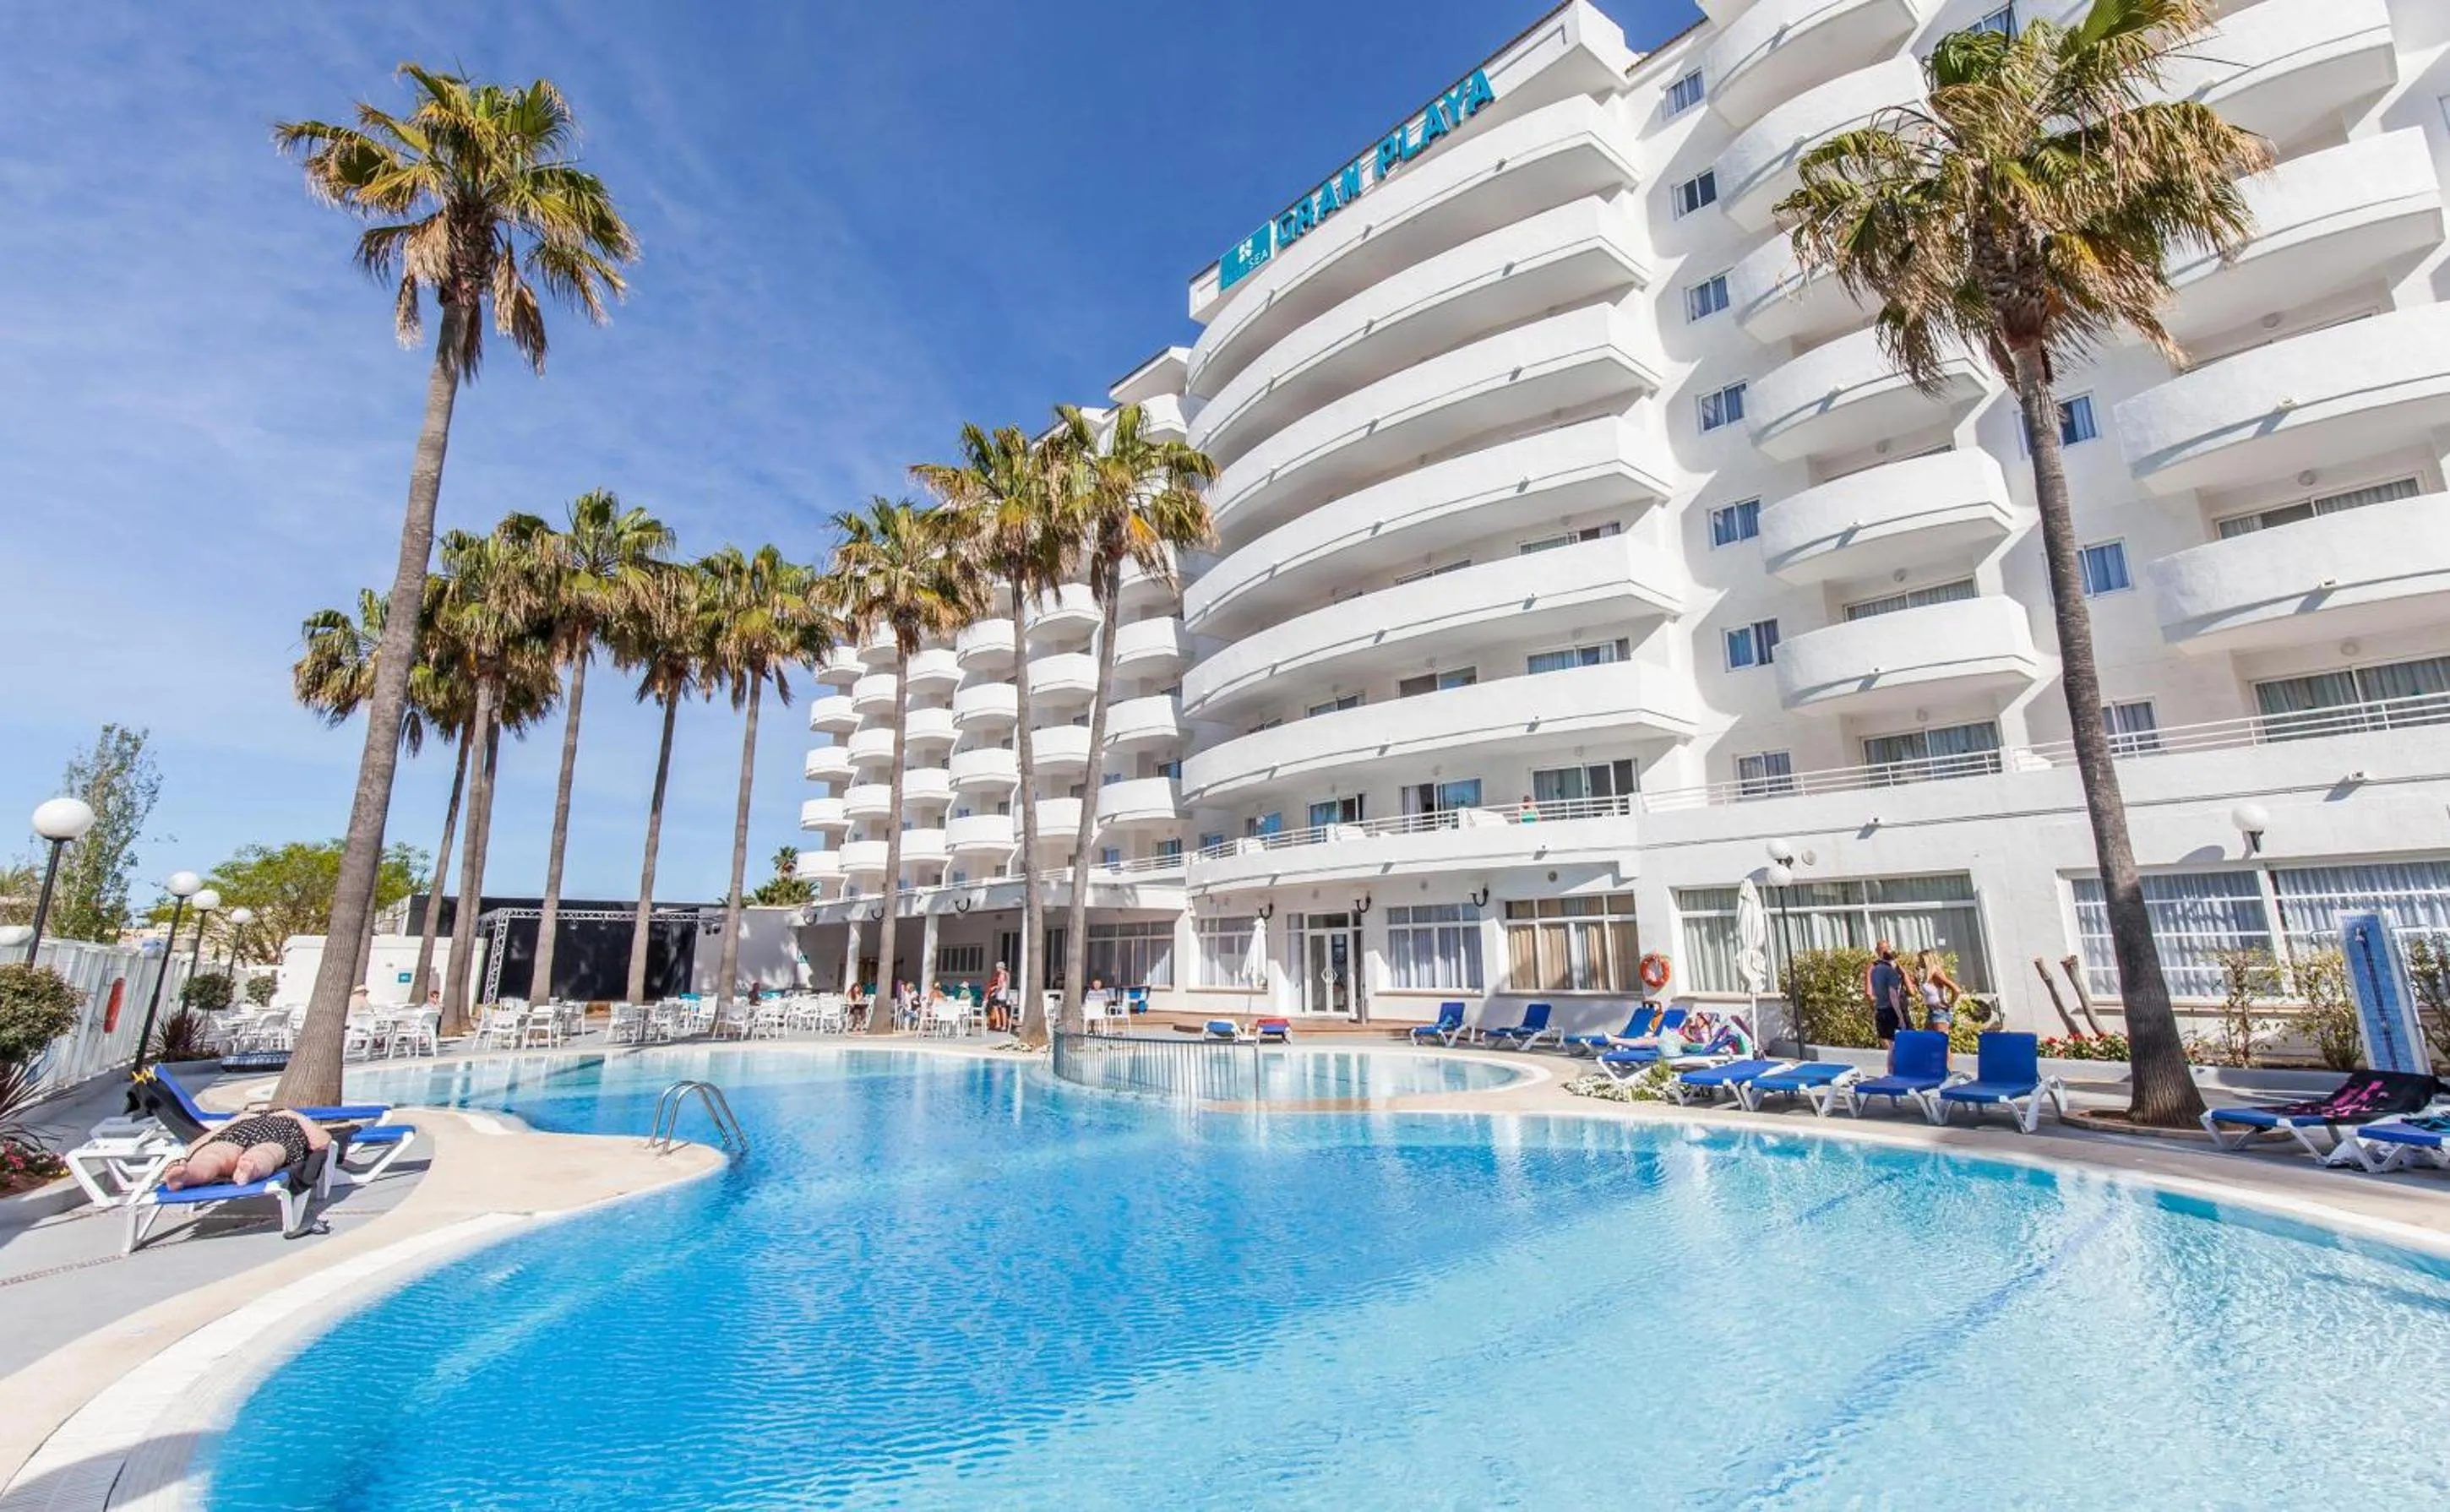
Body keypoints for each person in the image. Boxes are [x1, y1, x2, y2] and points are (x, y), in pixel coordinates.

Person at [161, 1107, 332, 1192]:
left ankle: (249, 1168)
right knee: (215, 1154)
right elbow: (323, 1143)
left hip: (260, 1135)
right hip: (258, 1135)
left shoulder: (289, 1118)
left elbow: (322, 1143)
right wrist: (297, 1116)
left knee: (264, 1153)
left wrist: (296, 1116)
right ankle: (187, 1174)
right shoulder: (246, 1118)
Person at [1866, 941, 1909, 1047]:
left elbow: (1869, 993)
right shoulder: (1894, 967)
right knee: (1899, 1038)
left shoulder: (1877, 967)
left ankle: (1895, 1059)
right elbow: (1869, 992)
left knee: (1888, 1038)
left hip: (1890, 1007)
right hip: (1895, 1007)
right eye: (1883, 949)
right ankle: (1897, 1059)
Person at [1915, 949, 1961, 1034]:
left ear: (1926, 960)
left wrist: (1950, 1003)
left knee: (1941, 1043)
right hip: (1931, 1011)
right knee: (1928, 1041)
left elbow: (1956, 989)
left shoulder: (1936, 973)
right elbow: (1928, 994)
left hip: (1939, 1012)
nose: (1919, 962)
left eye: (1920, 959)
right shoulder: (1928, 974)